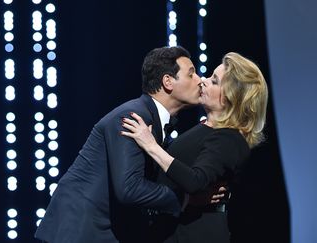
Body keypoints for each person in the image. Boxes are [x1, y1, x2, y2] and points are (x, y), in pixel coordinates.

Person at [35, 46, 206, 243]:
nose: (200, 80)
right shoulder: (133, 116)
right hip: (80, 229)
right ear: (167, 81)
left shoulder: (151, 118)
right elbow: (129, 188)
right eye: (191, 74)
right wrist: (181, 198)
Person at [121, 52, 268, 243]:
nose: (204, 81)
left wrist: (151, 146)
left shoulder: (230, 139)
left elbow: (195, 180)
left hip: (196, 233)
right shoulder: (207, 129)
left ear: (229, 98)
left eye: (214, 81)